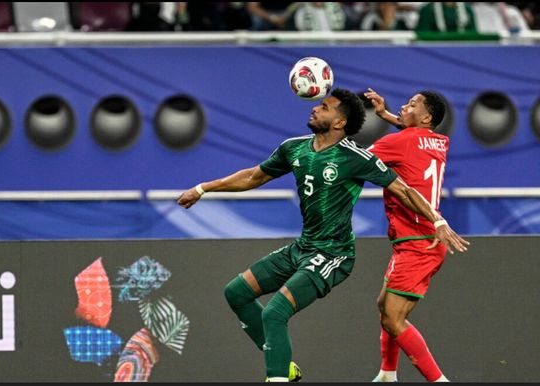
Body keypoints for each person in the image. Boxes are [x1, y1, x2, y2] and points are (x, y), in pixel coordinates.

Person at [177, 88, 468, 382]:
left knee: (281, 313)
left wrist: (438, 220)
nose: (315, 109)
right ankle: (371, 373)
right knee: (236, 292)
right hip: (307, 246)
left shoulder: (356, 156)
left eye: (325, 107)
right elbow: (254, 176)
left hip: (339, 252)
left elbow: (398, 185)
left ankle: (429, 380)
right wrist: (203, 188)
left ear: (340, 123)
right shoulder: (294, 148)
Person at [364, 88, 469, 382]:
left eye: (411, 105)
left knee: (393, 317)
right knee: (384, 306)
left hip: (416, 242)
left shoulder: (397, 142)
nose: (403, 107)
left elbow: (359, 161)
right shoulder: (438, 141)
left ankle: (438, 381)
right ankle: (387, 374)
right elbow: (412, 135)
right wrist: (387, 115)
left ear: (426, 116)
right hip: (422, 242)